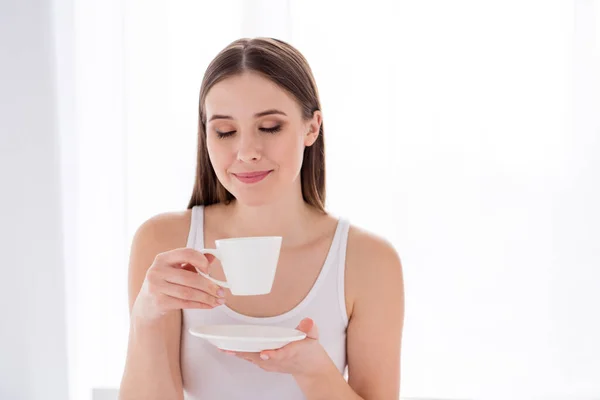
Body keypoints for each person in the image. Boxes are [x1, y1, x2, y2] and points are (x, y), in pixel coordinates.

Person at [119, 37, 404, 400]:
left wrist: (313, 370)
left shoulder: (369, 261)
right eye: (225, 131)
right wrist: (146, 315)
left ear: (311, 128)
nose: (247, 152)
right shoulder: (163, 243)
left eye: (269, 127)